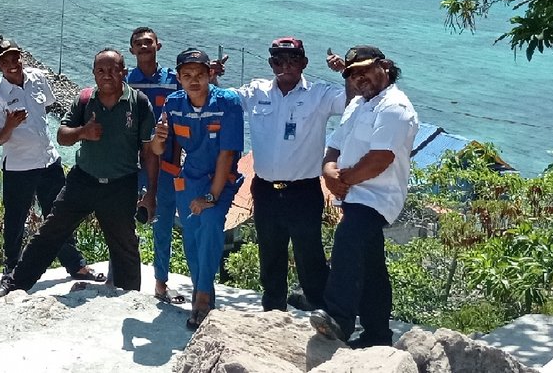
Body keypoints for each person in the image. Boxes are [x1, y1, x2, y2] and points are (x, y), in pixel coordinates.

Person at [0, 49, 156, 296]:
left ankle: (129, 297)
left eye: (113, 69)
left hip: (120, 184)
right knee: (50, 232)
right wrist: (83, 132)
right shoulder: (84, 100)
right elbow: (62, 135)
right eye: (101, 70)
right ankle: (15, 284)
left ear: (123, 71)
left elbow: (149, 152)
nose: (107, 75)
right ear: (93, 74)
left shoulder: (139, 103)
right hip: (84, 179)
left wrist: (150, 192)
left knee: (125, 245)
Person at [310, 45, 420, 349]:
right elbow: (335, 143)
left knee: (347, 243)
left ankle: (339, 318)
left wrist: (340, 180)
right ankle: (377, 334)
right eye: (353, 73)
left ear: (383, 66)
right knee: (372, 268)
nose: (360, 78)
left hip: (378, 196)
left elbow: (380, 158)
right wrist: (328, 169)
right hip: (354, 192)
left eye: (365, 70)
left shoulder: (395, 106)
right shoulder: (359, 104)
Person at [235, 37, 347, 312]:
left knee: (309, 255)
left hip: (303, 191)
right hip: (264, 189)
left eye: (292, 59)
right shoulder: (256, 91)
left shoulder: (320, 94)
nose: (285, 65)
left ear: (304, 63)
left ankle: (324, 314)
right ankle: (272, 312)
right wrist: (210, 77)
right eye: (278, 60)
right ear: (271, 63)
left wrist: (347, 72)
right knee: (270, 254)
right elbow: (221, 102)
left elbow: (355, 102)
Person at [0, 39, 102, 283]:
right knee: (16, 220)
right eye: (5, 61)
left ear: (21, 57)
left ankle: (75, 265)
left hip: (48, 160)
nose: (12, 64)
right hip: (19, 166)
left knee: (59, 215)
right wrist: (10, 124)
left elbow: (46, 107)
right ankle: (12, 270)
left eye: (15, 57)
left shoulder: (38, 77)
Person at [151, 48, 244, 329]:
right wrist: (158, 138)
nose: (194, 81)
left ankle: (202, 299)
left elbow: (227, 155)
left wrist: (210, 196)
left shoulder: (228, 103)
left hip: (220, 178)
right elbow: (158, 149)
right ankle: (202, 292)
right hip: (188, 178)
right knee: (191, 238)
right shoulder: (174, 104)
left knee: (212, 223)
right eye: (187, 75)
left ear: (210, 75)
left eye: (200, 75)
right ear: (178, 78)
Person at [125, 26, 185, 305]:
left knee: (162, 224)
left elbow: (200, 99)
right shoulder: (125, 82)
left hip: (168, 164)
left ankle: (160, 284)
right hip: (131, 164)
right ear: (131, 50)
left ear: (158, 46)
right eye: (139, 43)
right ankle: (120, 279)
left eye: (149, 42)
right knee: (124, 223)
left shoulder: (175, 80)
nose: (144, 46)